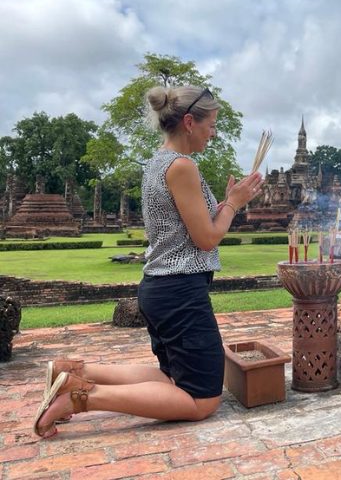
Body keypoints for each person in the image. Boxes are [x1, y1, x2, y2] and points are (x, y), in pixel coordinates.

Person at [34, 85, 263, 438]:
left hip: (161, 287)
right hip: (179, 291)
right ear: (189, 122)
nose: (213, 132)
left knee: (170, 378)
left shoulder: (160, 160)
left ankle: (72, 370)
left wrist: (228, 203)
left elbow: (188, 227)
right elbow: (205, 239)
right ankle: (80, 397)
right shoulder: (182, 166)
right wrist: (233, 204)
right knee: (202, 399)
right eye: (211, 124)